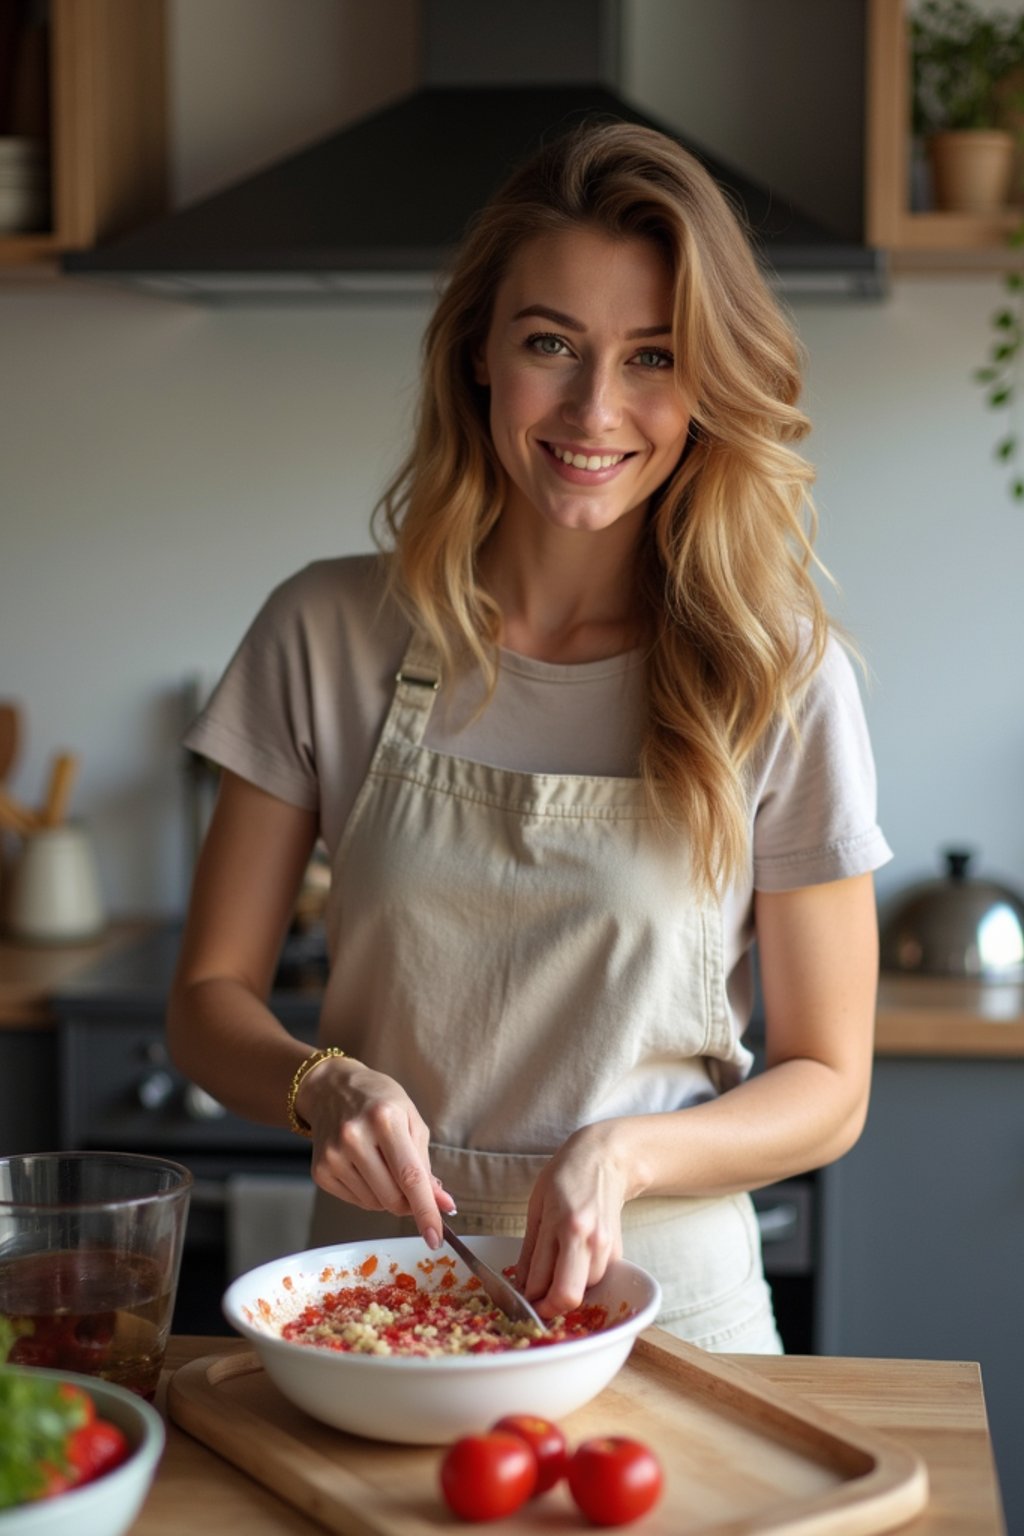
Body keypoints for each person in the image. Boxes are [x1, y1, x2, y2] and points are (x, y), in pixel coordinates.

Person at [167, 119, 890, 1354]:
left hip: (670, 1315)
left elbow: (830, 1085)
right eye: (551, 343)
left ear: (708, 384)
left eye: (653, 356)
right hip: (371, 1304)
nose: (595, 407)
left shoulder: (776, 672)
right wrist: (318, 1082)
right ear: (480, 359)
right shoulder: (325, 628)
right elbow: (204, 1001)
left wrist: (626, 1152)